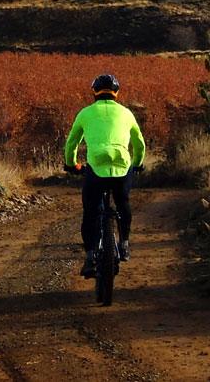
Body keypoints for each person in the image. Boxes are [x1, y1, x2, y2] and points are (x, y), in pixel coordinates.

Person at [64, 73, 146, 277]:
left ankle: (91, 256)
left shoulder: (85, 113)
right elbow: (139, 144)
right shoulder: (127, 113)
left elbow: (71, 143)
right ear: (116, 93)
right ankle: (124, 243)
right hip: (122, 164)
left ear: (94, 92)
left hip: (96, 165)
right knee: (123, 202)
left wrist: (72, 165)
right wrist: (137, 165)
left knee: (91, 212)